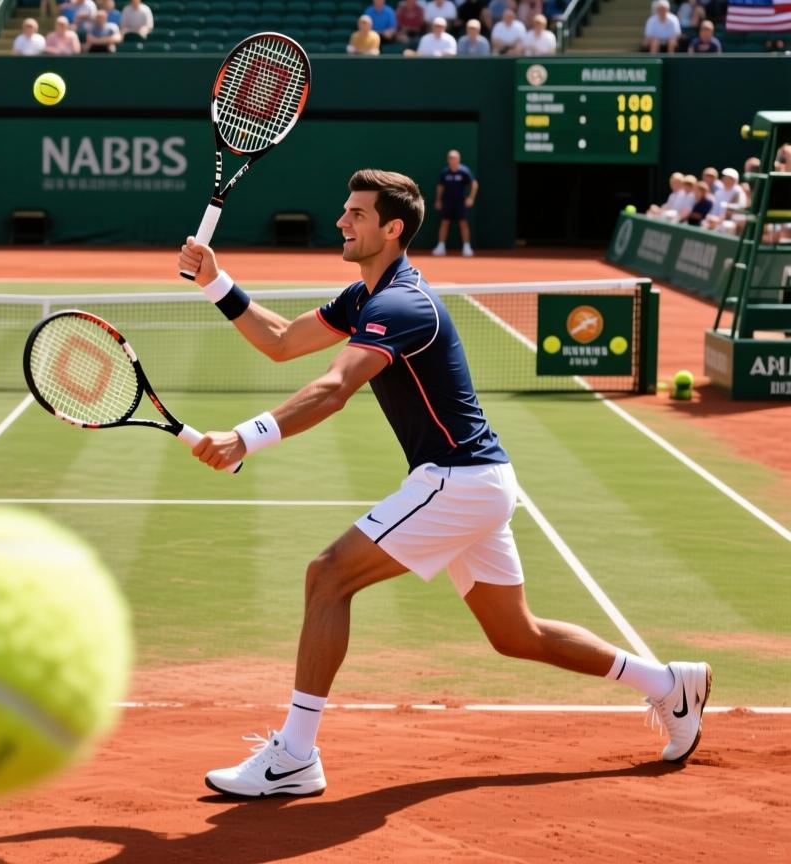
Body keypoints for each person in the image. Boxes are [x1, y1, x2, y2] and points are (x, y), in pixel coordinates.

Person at [176, 168, 712, 797]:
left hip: (457, 481)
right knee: (517, 635)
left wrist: (247, 436)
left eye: (356, 214)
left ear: (392, 228)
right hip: (479, 481)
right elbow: (283, 341)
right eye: (345, 210)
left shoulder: (402, 303)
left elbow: (333, 388)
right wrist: (216, 282)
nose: (342, 222)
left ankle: (294, 754)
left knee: (328, 577)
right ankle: (669, 685)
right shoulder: (363, 297)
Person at [433, 149, 477, 256]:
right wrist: (438, 200)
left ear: (458, 159)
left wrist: (471, 198)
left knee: (463, 223)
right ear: (448, 160)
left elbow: (474, 184)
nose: (453, 160)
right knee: (445, 222)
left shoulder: (464, 171)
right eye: (451, 158)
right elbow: (440, 186)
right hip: (447, 201)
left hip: (460, 202)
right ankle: (441, 246)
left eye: (455, 158)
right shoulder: (445, 172)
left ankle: (467, 247)